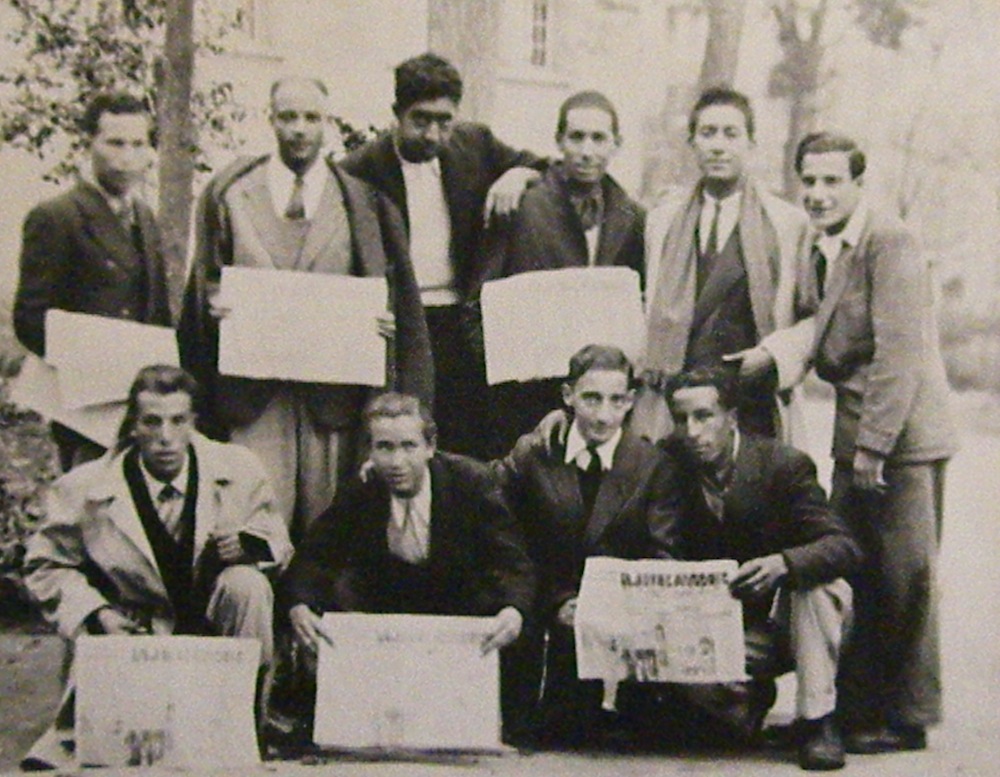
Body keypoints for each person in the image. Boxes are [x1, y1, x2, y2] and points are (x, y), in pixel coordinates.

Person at [178, 77, 433, 539]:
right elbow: (203, 285)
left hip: (331, 399)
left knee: (328, 526)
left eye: (311, 118)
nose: (299, 129)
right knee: (250, 524)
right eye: (288, 116)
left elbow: (395, 296)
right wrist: (215, 307)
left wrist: (380, 321)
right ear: (270, 119)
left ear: (327, 123)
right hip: (253, 399)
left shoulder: (359, 200)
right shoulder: (231, 193)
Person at [22, 365, 292, 769]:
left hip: (212, 623)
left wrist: (247, 546)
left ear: (194, 423)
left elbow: (278, 543)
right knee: (119, 751)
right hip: (134, 628)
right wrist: (98, 614)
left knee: (247, 585)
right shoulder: (88, 488)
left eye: (177, 421)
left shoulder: (237, 469)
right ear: (133, 426)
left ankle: (244, 729)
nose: (165, 437)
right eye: (152, 422)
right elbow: (46, 564)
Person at [793, 132, 958, 754]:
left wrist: (874, 449)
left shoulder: (889, 240)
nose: (818, 193)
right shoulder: (826, 246)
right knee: (855, 569)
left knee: (905, 577)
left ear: (859, 184)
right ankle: (858, 706)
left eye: (832, 180)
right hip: (857, 435)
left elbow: (899, 354)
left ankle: (908, 715)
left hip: (902, 440)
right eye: (808, 180)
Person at [280, 391, 535, 729]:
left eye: (408, 447)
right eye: (384, 447)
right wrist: (299, 604)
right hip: (388, 604)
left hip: (457, 603)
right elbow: (315, 555)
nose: (397, 462)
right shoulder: (361, 490)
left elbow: (512, 560)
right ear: (370, 450)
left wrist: (512, 611)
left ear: (430, 447)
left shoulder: (470, 483)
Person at [340, 52, 546, 459]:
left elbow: (538, 163)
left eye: (444, 121)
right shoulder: (360, 169)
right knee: (409, 437)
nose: (433, 134)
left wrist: (516, 175)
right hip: (402, 324)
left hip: (462, 320)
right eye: (421, 120)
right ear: (396, 114)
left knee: (467, 438)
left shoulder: (475, 144)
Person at [656, 367, 860, 771]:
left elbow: (843, 546)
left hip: (783, 627)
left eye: (704, 416)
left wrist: (784, 563)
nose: (692, 431)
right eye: (682, 419)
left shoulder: (783, 465)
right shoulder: (665, 461)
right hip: (713, 630)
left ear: (731, 416)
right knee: (695, 729)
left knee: (820, 586)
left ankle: (817, 720)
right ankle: (743, 700)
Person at [493, 344, 674, 747]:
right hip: (547, 604)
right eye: (591, 398)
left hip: (617, 612)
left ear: (630, 401)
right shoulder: (535, 451)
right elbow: (487, 498)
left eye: (616, 400)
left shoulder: (651, 464)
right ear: (568, 396)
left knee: (601, 733)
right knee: (538, 729)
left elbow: (664, 552)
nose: (603, 414)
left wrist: (606, 605)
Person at [638, 87, 812, 444]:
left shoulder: (787, 224)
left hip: (751, 403)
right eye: (707, 133)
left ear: (751, 143)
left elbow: (815, 316)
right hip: (678, 403)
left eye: (731, 134)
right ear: (692, 143)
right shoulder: (663, 222)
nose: (718, 146)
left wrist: (773, 354)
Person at [14, 92, 172, 471]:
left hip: (142, 404)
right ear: (90, 143)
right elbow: (31, 319)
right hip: (87, 407)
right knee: (90, 506)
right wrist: (90, 361)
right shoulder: (58, 216)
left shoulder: (145, 217)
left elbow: (157, 309)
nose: (127, 156)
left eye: (138, 144)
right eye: (115, 143)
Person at [483, 90, 645, 456]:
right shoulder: (522, 205)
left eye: (599, 138)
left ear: (616, 144)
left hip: (601, 403)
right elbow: (481, 301)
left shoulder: (632, 216)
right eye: (576, 137)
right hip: (527, 397)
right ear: (559, 141)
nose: (587, 151)